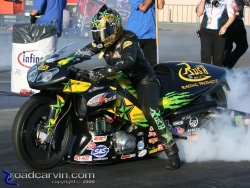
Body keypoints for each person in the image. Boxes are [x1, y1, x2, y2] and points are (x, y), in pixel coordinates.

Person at [67, 4, 181, 170]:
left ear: (113, 28)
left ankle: (172, 152)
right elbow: (83, 52)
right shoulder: (103, 43)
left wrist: (107, 70)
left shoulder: (128, 39)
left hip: (143, 80)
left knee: (151, 112)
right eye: (97, 34)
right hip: (121, 79)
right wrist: (66, 61)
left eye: (102, 33)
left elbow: (128, 60)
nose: (99, 38)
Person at [125, 0, 165, 67]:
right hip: (135, 34)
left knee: (152, 64)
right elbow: (143, 7)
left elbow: (160, 6)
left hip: (151, 34)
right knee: (132, 62)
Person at [196, 0, 235, 67]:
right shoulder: (204, 1)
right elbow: (198, 13)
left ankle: (216, 75)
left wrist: (225, 26)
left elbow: (232, 16)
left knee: (218, 58)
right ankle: (205, 75)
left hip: (219, 31)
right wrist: (203, 1)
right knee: (205, 56)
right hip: (205, 30)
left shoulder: (227, 1)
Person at [223, 0, 249, 69]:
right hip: (235, 20)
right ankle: (226, 65)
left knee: (227, 46)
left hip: (223, 19)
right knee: (242, 45)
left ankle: (225, 69)